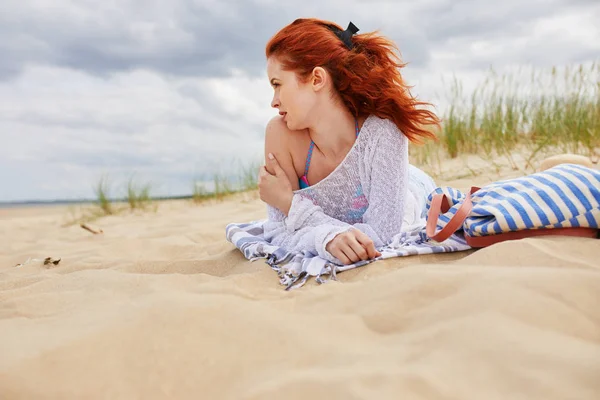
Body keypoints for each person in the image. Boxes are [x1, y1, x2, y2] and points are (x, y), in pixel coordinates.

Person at [257, 18, 439, 266]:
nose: (274, 101)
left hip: (413, 188)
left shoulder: (382, 131)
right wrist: (328, 239)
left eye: (277, 84)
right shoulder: (280, 134)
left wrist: (290, 204)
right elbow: (277, 233)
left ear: (317, 79)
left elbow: (383, 236)